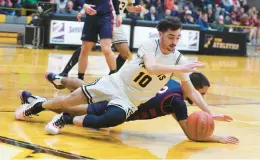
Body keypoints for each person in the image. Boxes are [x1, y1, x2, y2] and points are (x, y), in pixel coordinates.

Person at [15, 17, 209, 135]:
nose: (175, 42)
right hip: (116, 82)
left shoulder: (179, 60)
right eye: (171, 37)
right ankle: (36, 106)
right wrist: (179, 68)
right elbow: (151, 67)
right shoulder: (150, 45)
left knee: (113, 118)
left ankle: (64, 119)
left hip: (130, 100)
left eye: (178, 37)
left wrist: (209, 113)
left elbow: (192, 91)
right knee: (69, 100)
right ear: (160, 34)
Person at [19, 72, 238, 144]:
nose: (200, 97)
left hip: (121, 89)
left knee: (85, 90)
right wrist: (216, 138)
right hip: (122, 105)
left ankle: (58, 78)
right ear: (193, 88)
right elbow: (191, 133)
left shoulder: (171, 82)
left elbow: (170, 108)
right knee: (73, 109)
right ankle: (36, 101)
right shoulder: (178, 102)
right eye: (201, 93)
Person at [61, 0, 143, 79]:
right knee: (86, 47)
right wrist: (83, 10)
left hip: (116, 21)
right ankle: (65, 72)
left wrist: (135, 9)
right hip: (103, 16)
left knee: (125, 53)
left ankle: (110, 77)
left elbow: (128, 7)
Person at [75, 0, 121, 80]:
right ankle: (80, 79)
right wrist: (84, 5)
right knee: (85, 49)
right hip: (90, 17)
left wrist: (118, 14)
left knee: (106, 49)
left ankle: (114, 78)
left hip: (106, 17)